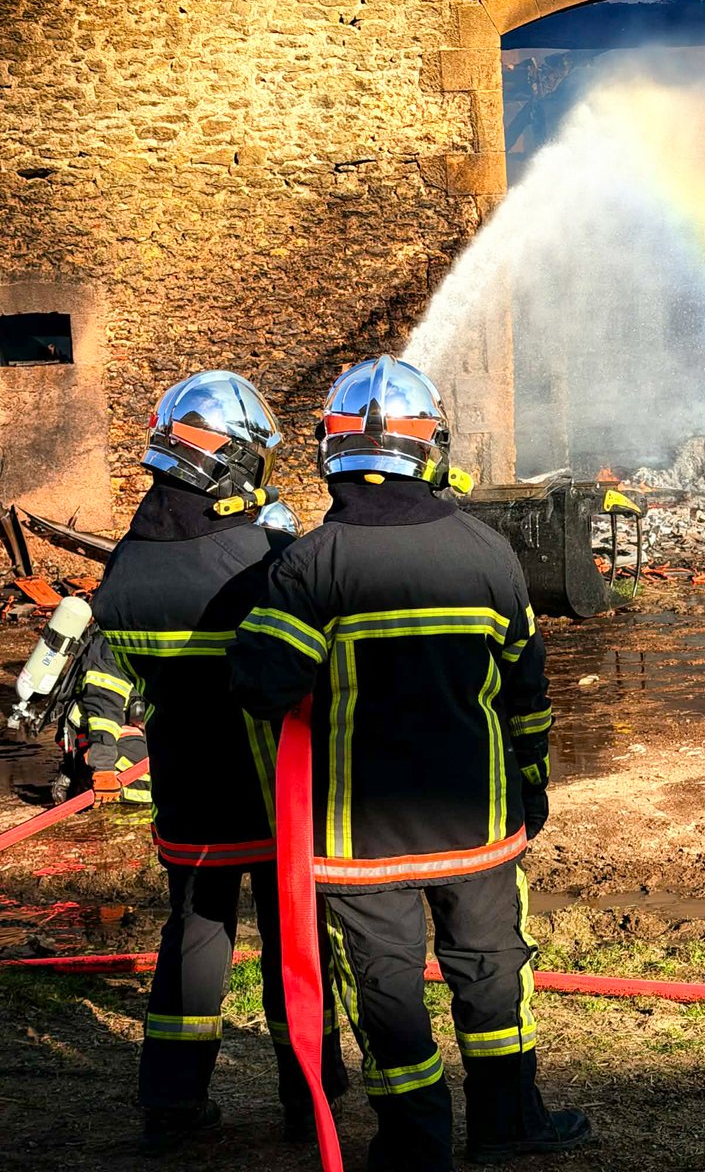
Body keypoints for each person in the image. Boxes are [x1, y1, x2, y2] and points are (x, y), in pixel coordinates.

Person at [230, 355, 592, 1171]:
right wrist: (530, 783)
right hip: (480, 826)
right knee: (493, 970)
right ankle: (508, 1120)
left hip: (359, 845)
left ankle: (416, 1143)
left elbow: (260, 685)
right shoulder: (491, 557)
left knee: (386, 989)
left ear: (332, 450)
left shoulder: (310, 564)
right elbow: (527, 695)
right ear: (433, 448)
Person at [91, 370, 345, 1156]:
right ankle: (310, 1100)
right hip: (275, 792)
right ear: (235, 461)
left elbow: (115, 676)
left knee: (195, 935)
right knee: (293, 944)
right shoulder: (261, 555)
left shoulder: (128, 564)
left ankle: (172, 1104)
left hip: (186, 790)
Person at [51, 624, 151, 807]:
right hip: (102, 741)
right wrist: (103, 768)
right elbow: (103, 709)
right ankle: (84, 778)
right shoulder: (112, 645)